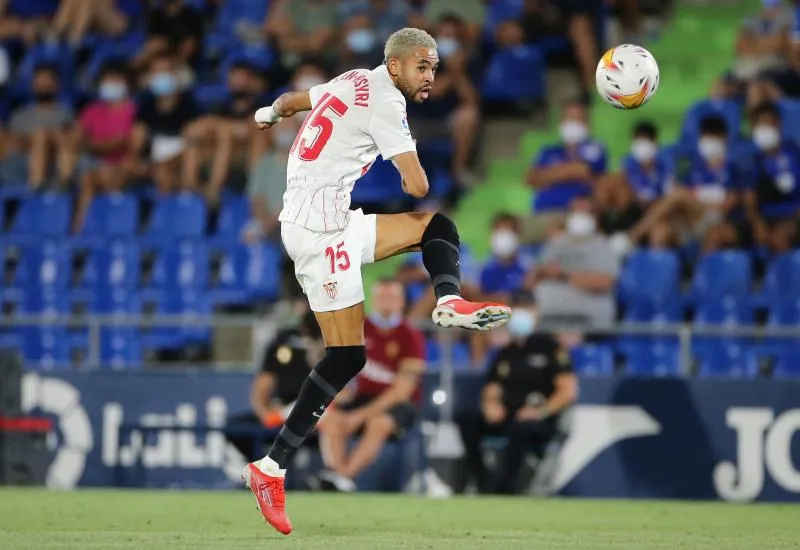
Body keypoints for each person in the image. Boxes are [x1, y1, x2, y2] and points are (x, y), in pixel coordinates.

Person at [244, 27, 511, 535]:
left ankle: (449, 300)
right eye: (421, 68)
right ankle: (270, 469)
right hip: (320, 234)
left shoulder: (353, 79)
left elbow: (289, 100)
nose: (430, 77)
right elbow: (417, 184)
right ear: (395, 67)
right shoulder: (387, 101)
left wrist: (268, 114)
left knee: (436, 227)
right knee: (346, 356)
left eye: (434, 68)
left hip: (326, 219)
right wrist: (400, 143)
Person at [313, 278, 425, 492]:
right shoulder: (359, 328)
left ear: (402, 302)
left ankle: (343, 476)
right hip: (362, 397)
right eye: (382, 297)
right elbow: (340, 369)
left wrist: (358, 417)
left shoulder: (411, 335)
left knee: (379, 423)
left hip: (399, 405)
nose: (386, 302)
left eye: (391, 297)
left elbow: (401, 392)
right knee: (331, 418)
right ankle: (337, 476)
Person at [457, 301, 578, 494]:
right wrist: (491, 405)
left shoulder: (551, 348)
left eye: (527, 308)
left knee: (520, 429)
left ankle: (506, 488)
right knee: (466, 419)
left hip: (538, 418)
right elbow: (493, 386)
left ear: (536, 314)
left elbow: (567, 391)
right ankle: (482, 479)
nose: (522, 314)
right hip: (507, 413)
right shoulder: (506, 351)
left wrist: (541, 411)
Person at [225, 309, 324, 462]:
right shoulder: (283, 340)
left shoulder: (335, 340)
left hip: (320, 412)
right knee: (235, 427)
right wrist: (265, 413)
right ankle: (257, 470)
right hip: (284, 409)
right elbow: (262, 384)